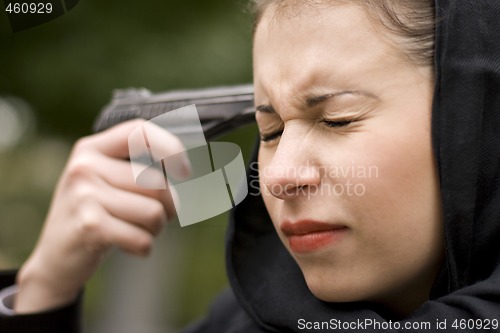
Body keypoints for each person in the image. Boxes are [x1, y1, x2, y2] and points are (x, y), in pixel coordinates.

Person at [1, 0, 500, 332]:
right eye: (271, 131)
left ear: (479, 121)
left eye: (337, 119)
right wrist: (45, 289)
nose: (278, 176)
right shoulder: (245, 319)